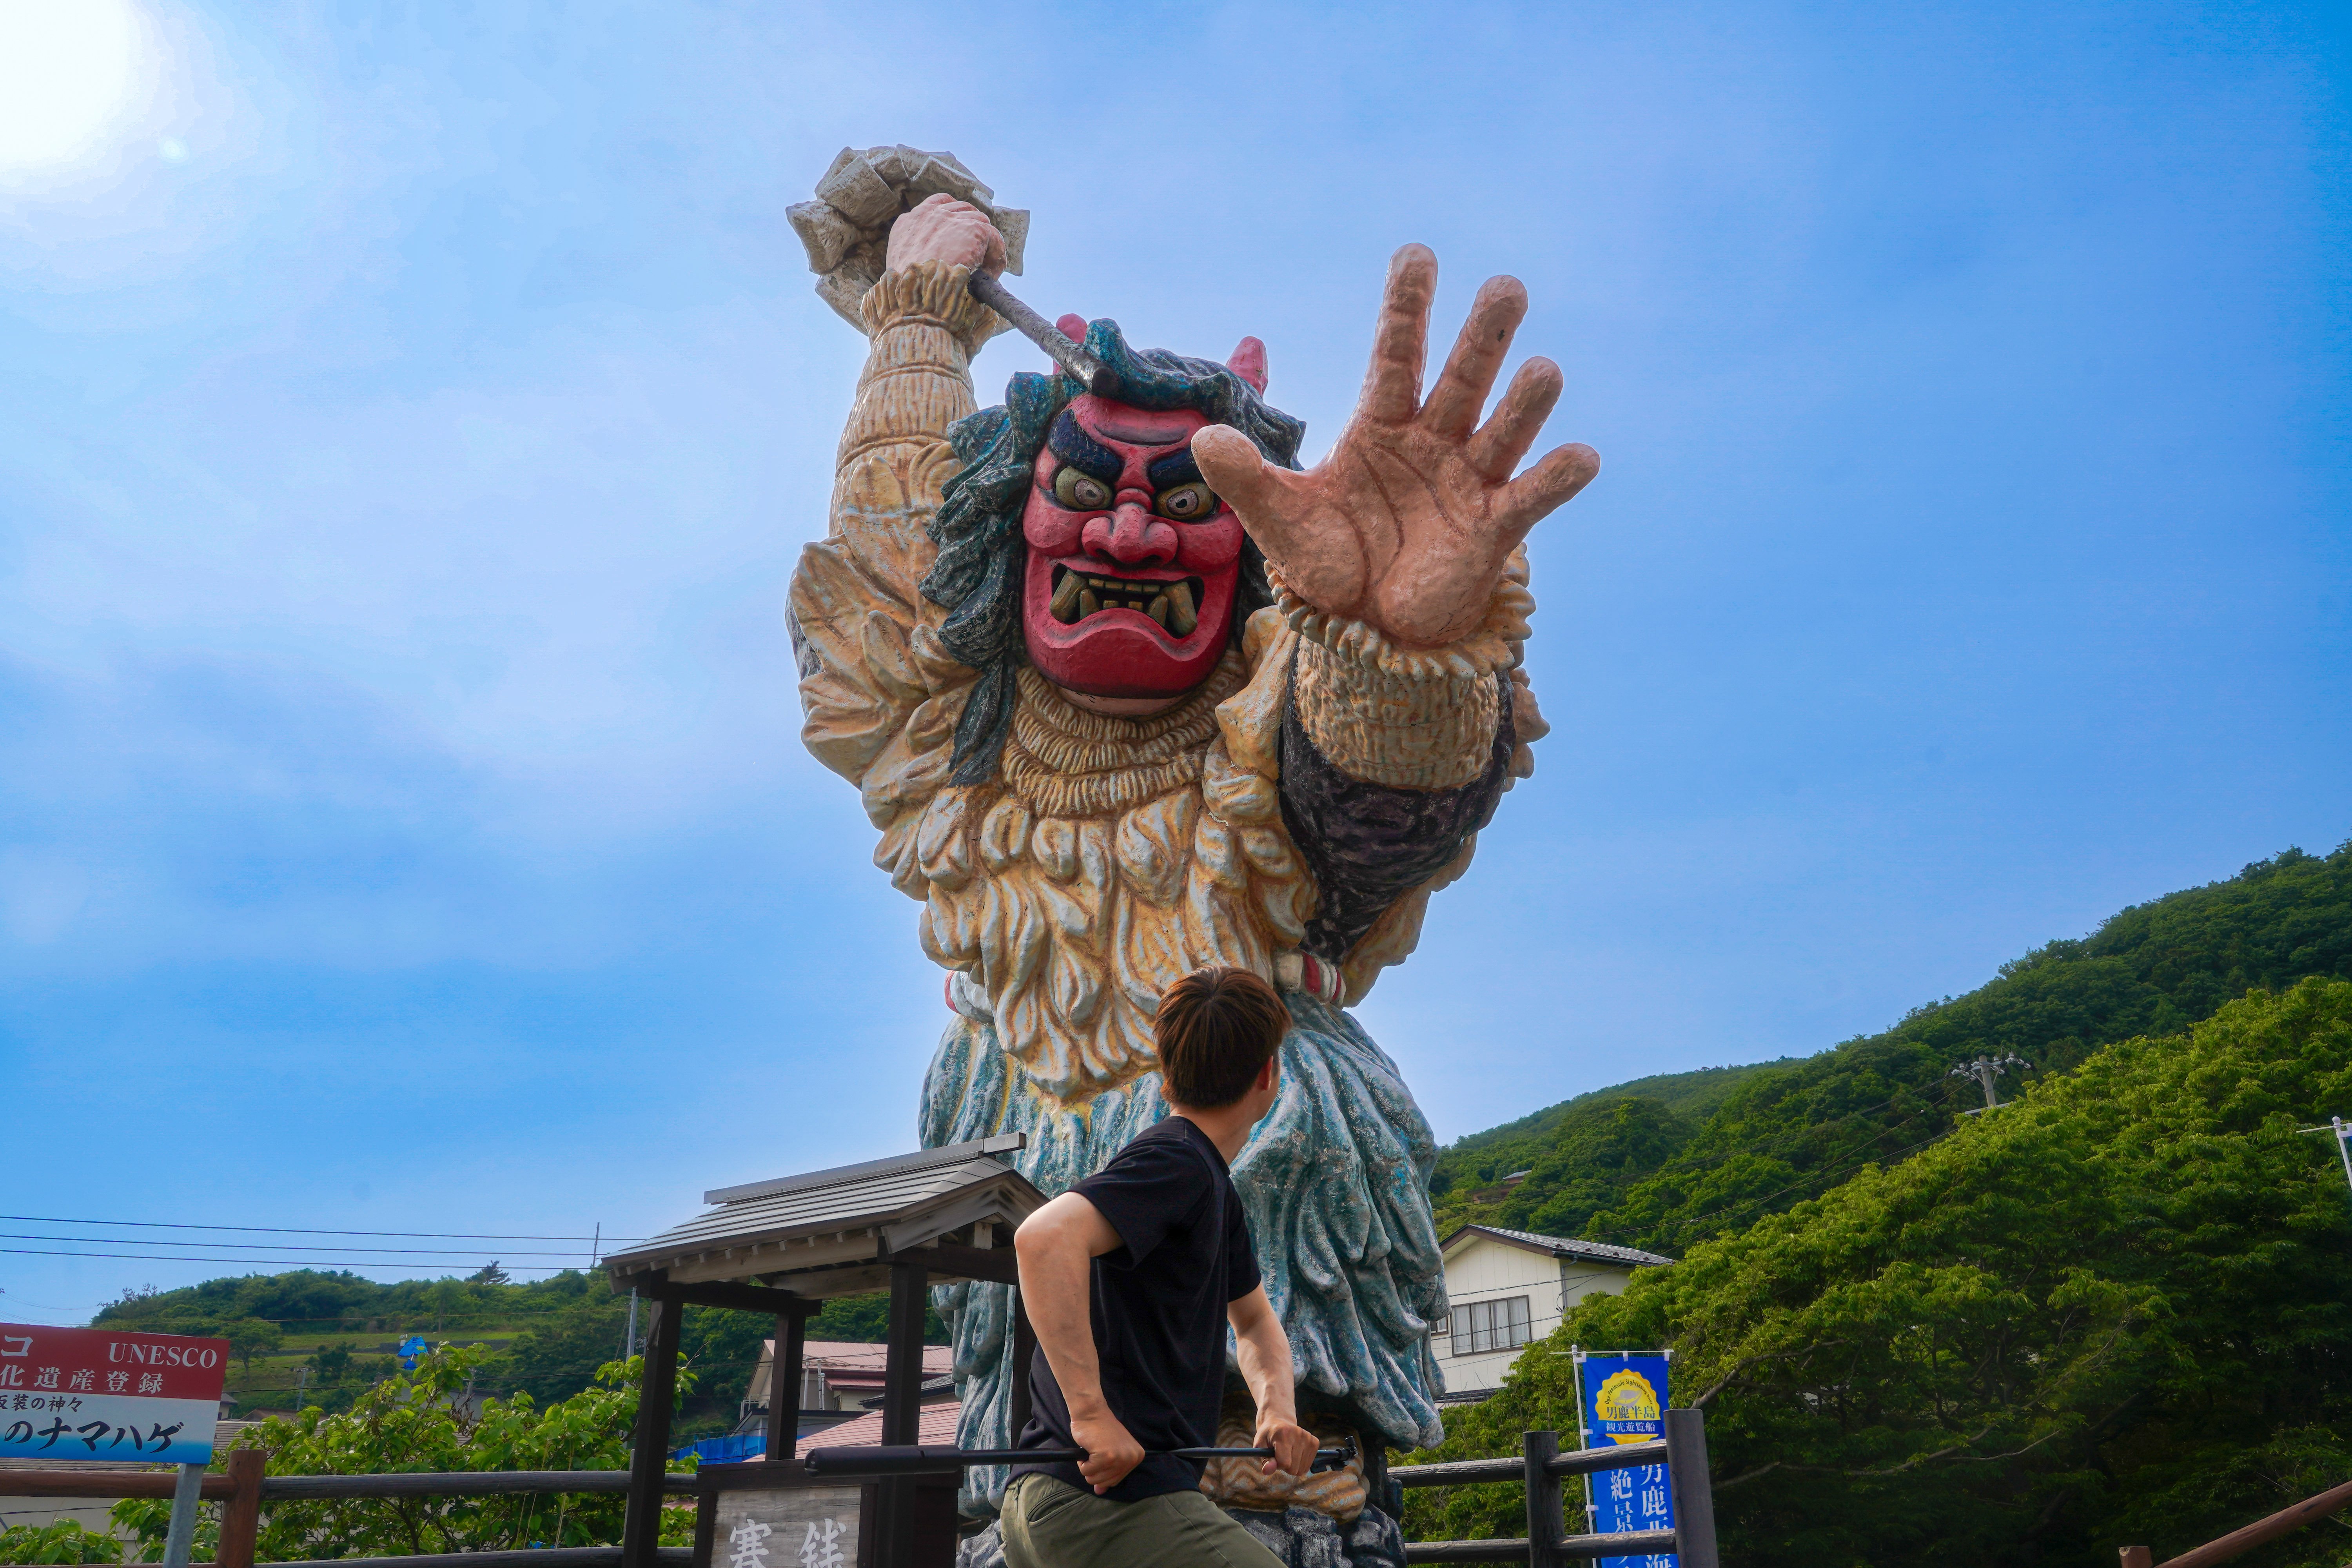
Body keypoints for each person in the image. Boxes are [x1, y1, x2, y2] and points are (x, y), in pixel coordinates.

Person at [1002, 967, 1319, 1566]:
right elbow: (1042, 1239)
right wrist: (1091, 1416)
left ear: (1166, 1071)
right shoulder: (1179, 1162)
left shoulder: (1208, 1184)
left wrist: (1277, 1412)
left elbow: (1254, 1322)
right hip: (1107, 1503)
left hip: (1059, 1502)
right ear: (1268, 1074)